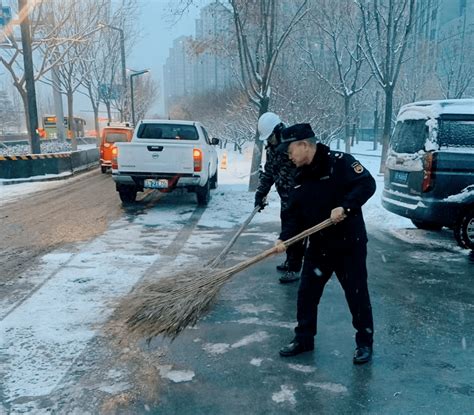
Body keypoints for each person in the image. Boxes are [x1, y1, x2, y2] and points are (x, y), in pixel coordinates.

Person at [274, 123, 376, 364]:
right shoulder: (299, 177)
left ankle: (364, 342)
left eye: (290, 150)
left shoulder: (340, 163)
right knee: (306, 294)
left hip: (349, 245)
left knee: (356, 295)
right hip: (319, 247)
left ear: (304, 145)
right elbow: (293, 215)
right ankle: (304, 338)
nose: (288, 156)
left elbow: (367, 184)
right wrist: (284, 239)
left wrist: (346, 206)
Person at [254, 112, 305, 284]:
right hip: (285, 196)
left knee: (296, 232)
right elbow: (269, 171)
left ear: (278, 130)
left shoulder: (293, 144)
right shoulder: (272, 148)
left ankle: (295, 268)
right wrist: (261, 193)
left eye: (270, 137)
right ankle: (290, 260)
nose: (268, 141)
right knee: (287, 228)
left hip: (299, 197)